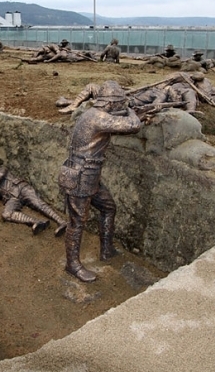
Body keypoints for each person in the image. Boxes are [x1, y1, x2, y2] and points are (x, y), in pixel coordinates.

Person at [58, 81, 142, 282]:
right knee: (77, 222)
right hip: (82, 176)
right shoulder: (98, 117)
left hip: (89, 176)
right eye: (119, 104)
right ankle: (73, 264)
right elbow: (134, 125)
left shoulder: (93, 114)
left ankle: (107, 250)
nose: (121, 107)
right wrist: (131, 111)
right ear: (111, 104)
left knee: (108, 207)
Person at [0, 167, 67, 236]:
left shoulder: (0, 171)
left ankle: (61, 222)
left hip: (21, 188)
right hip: (12, 199)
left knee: (38, 204)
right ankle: (37, 222)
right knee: (7, 214)